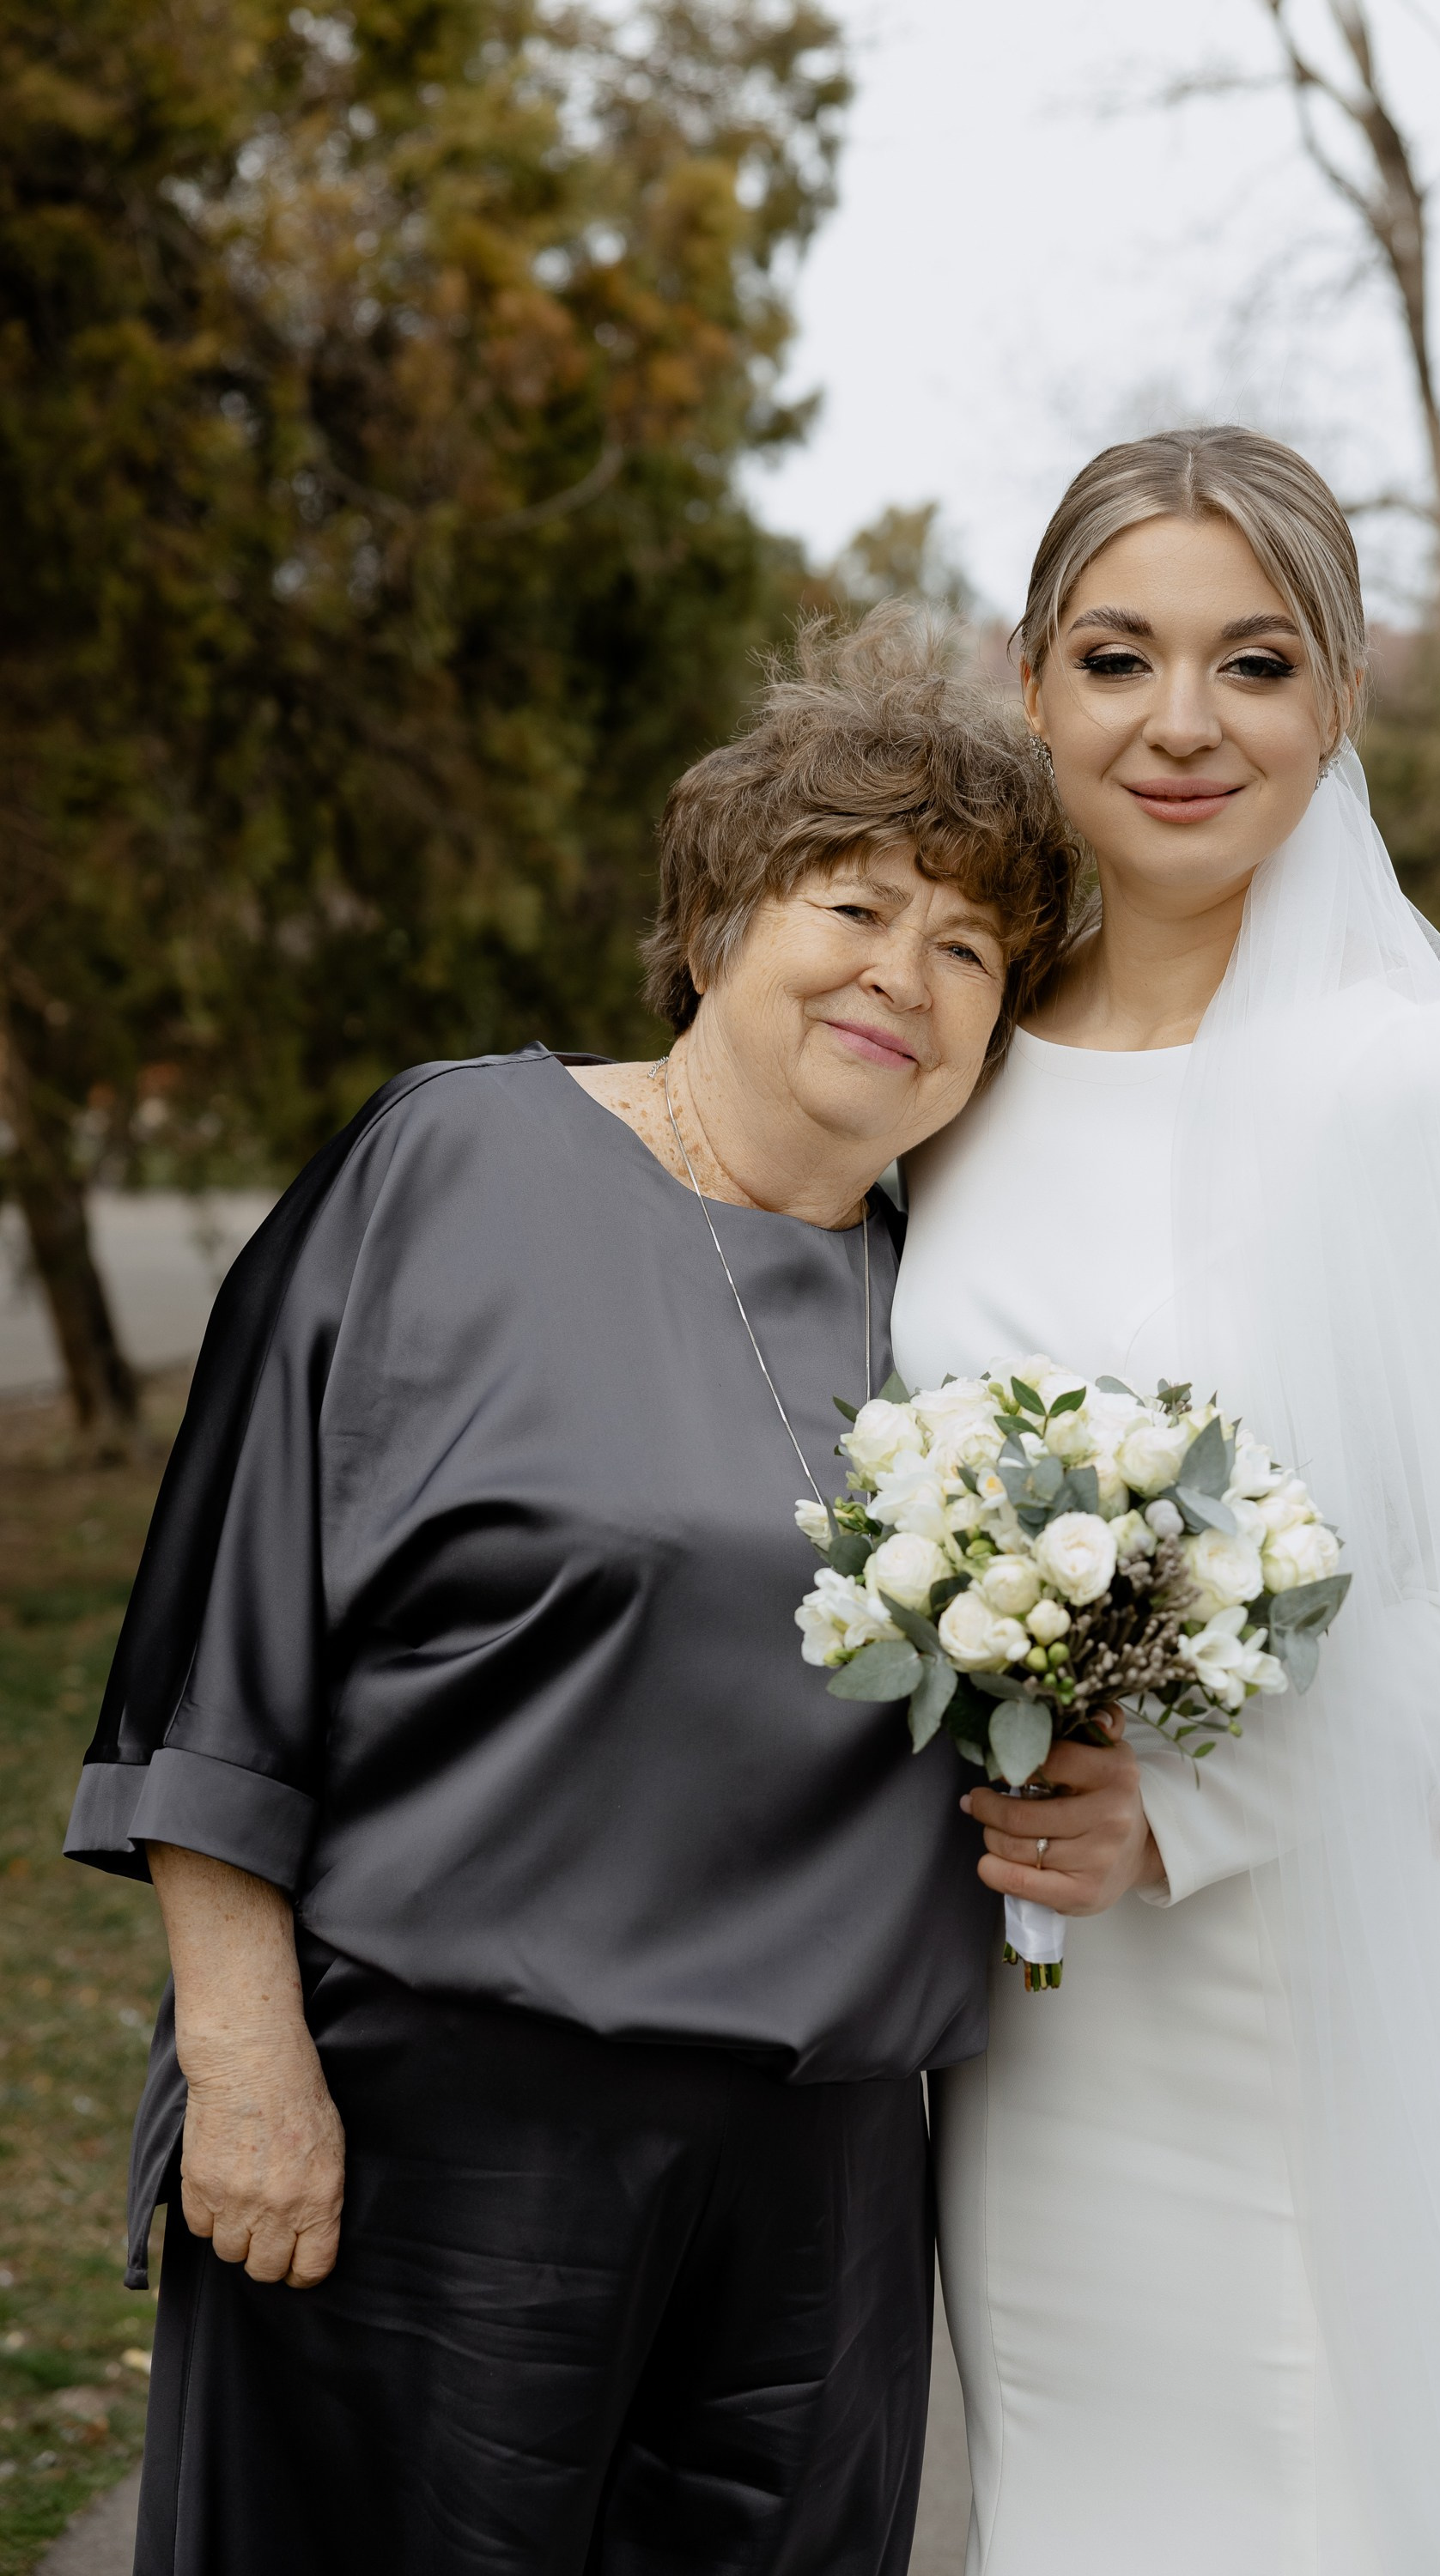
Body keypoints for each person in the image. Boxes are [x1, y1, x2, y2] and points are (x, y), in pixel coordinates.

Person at [62, 608, 1078, 2576]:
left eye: (971, 951)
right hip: (447, 2141)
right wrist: (243, 2062)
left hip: (829, 2175)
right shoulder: (456, 1158)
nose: (908, 977)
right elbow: (222, 1646)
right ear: (716, 918)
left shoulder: (969, 1305)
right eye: (854, 906)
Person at [891, 431, 1440, 2573]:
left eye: (1254, 664)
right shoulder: (957, 1071)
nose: (1183, 723)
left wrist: (1191, 1807)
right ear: (1032, 681)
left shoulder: (1400, 1083)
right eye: (1119, 656)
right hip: (1044, 2032)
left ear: (1337, 701)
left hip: (1325, 1984)